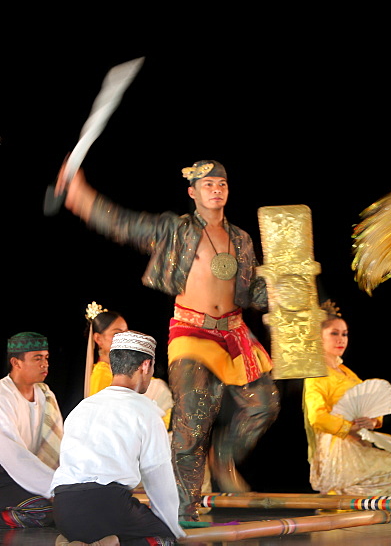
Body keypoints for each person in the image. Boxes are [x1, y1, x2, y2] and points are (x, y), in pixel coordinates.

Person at [60, 159, 279, 519]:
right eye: (207, 184)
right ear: (192, 192)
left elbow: (253, 291)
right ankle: (183, 507)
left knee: (265, 403)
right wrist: (82, 197)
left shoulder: (241, 239)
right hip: (192, 331)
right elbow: (124, 224)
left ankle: (223, 455)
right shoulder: (174, 230)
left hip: (233, 330)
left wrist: (286, 289)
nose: (216, 189)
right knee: (193, 420)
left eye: (221, 183)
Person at [51, 330, 185, 544]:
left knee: (117, 519)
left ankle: (77, 541)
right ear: (145, 366)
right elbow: (158, 479)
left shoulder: (81, 407)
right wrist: (173, 528)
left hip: (63, 511)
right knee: (164, 538)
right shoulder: (146, 411)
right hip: (107, 508)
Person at [303, 302, 391, 496]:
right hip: (338, 447)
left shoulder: (347, 373)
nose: (341, 339)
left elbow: (366, 404)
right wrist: (348, 427)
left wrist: (373, 421)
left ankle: (353, 508)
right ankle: (342, 504)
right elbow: (317, 417)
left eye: (344, 334)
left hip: (358, 442)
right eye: (334, 333)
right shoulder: (317, 375)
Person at [0, 331, 62, 528]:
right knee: (43, 510)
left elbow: (61, 443)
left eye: (46, 358)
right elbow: (13, 455)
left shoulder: (46, 394)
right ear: (16, 363)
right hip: (5, 474)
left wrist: (66, 483)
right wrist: (52, 488)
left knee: (68, 506)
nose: (45, 364)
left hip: (32, 474)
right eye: (37, 358)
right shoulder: (3, 395)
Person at [85, 303, 172, 428]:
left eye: (126, 333)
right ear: (98, 339)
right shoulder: (102, 374)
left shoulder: (123, 370)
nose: (124, 339)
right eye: (117, 334)